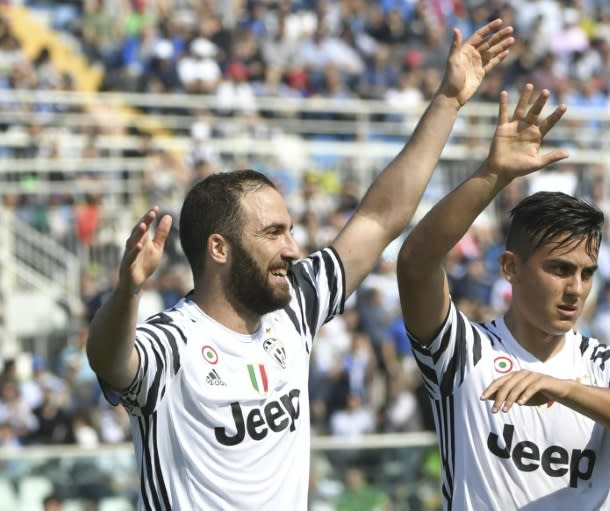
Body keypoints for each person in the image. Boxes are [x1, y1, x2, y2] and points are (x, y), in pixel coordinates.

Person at [85, 19, 515, 511]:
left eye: (290, 230)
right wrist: (127, 292)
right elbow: (108, 359)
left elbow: (379, 218)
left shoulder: (295, 308)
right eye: (273, 233)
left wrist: (448, 101)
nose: (293, 248)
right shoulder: (173, 342)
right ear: (219, 249)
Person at [396, 84, 610, 510]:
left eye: (586, 273)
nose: (576, 288)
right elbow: (416, 263)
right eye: (559, 269)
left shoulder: (608, 364)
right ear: (511, 267)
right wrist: (494, 175)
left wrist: (561, 388)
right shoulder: (462, 351)